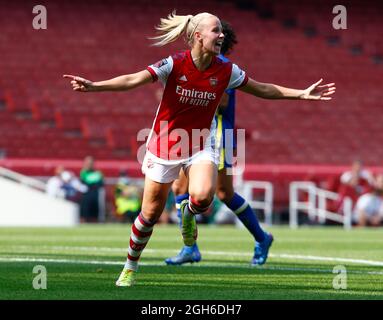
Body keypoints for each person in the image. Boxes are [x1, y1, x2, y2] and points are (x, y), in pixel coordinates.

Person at [64, 11, 335, 287]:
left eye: (221, 31)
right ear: (198, 36)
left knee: (205, 197)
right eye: (216, 31)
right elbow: (133, 79)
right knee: (149, 215)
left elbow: (262, 88)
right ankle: (130, 266)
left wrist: (301, 93)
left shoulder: (227, 70)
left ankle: (189, 215)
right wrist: (95, 86)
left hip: (200, 144)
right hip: (164, 144)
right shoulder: (174, 64)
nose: (222, 35)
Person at [165, 21, 273, 267]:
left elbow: (222, 102)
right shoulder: (201, 63)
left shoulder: (222, 67)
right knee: (180, 189)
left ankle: (262, 237)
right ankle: (190, 247)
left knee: (224, 193)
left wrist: (188, 93)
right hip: (194, 133)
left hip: (218, 135)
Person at [79, 156, 105, 223]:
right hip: (86, 197)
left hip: (95, 196)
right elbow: (84, 183)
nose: (89, 164)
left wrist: (92, 183)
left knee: (94, 215)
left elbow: (101, 184)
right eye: (87, 163)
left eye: (90, 163)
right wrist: (93, 182)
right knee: (85, 213)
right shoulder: (83, 173)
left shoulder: (98, 173)